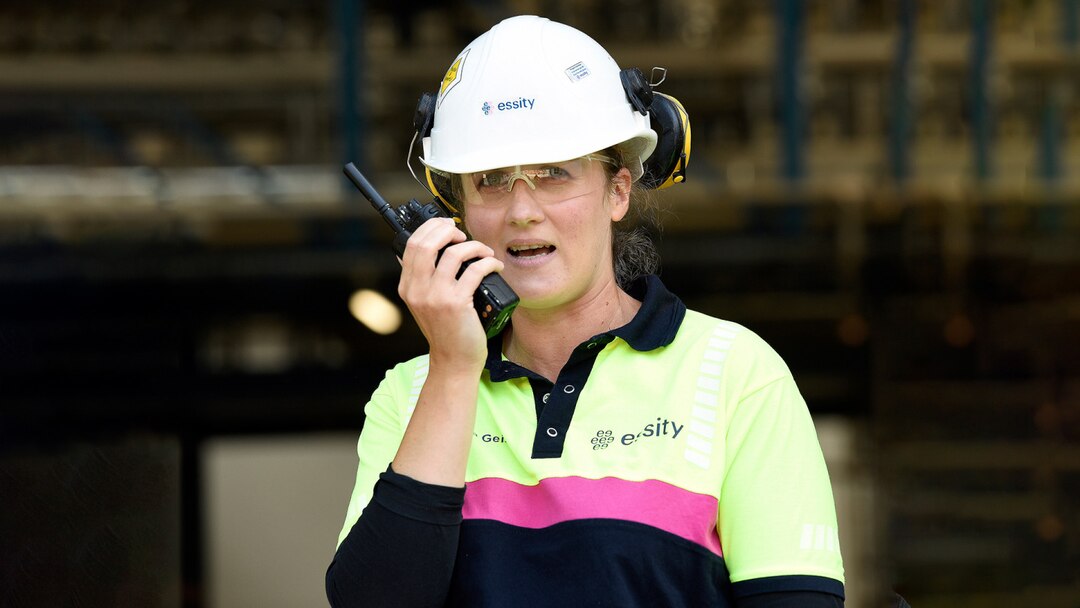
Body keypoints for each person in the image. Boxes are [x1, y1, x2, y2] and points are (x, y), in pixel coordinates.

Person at [326, 15, 845, 608]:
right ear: (458, 210)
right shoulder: (411, 393)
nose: (522, 210)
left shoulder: (736, 375)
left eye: (554, 173)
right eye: (492, 180)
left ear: (617, 190)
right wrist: (452, 368)